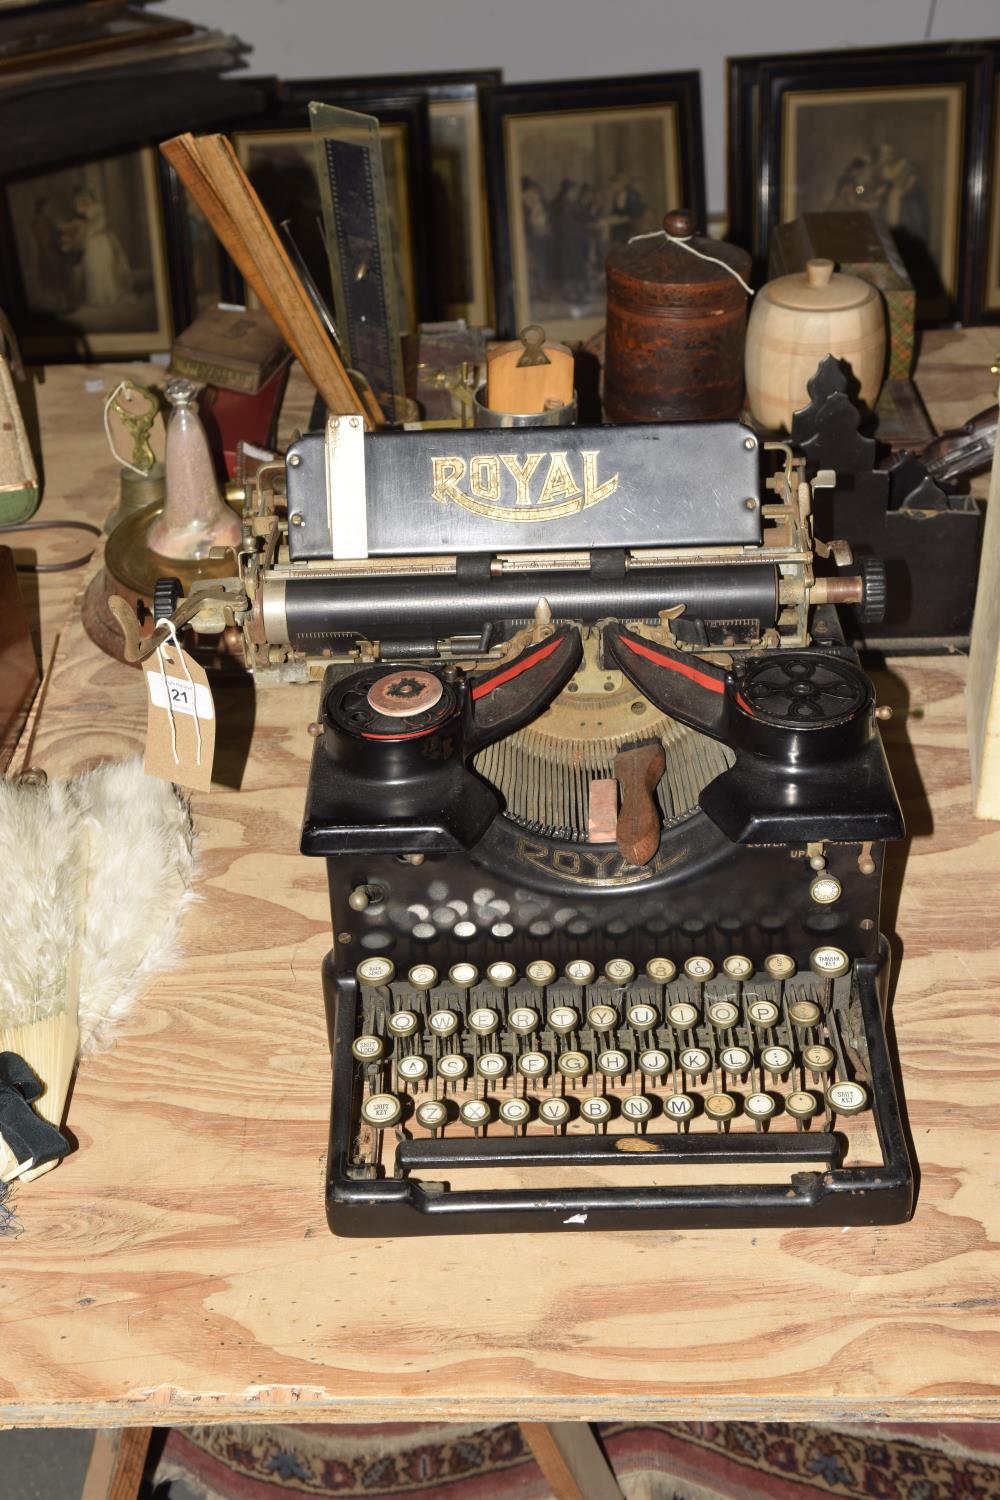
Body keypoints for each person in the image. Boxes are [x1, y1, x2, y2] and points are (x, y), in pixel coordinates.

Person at [74, 188, 131, 307]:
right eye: (85, 197)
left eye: (88, 196)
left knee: (105, 266)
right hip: (92, 241)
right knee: (94, 268)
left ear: (92, 197)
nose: (86, 199)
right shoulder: (85, 208)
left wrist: (93, 229)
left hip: (99, 238)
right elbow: (82, 217)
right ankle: (98, 297)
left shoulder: (98, 207)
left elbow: (102, 224)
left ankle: (111, 296)